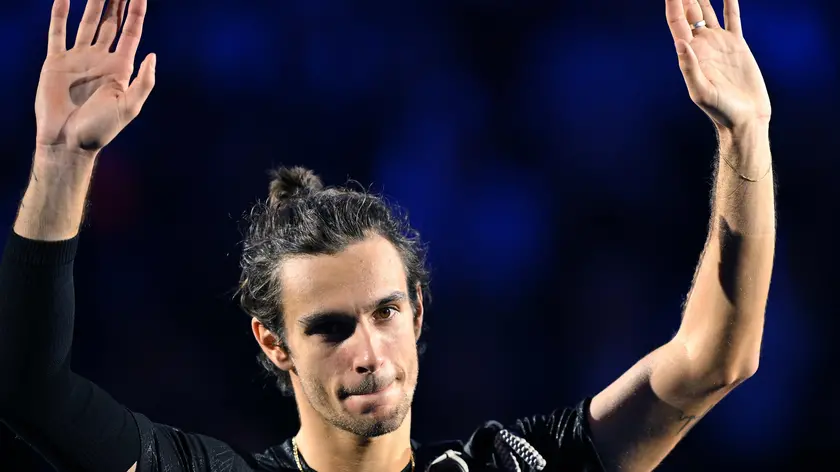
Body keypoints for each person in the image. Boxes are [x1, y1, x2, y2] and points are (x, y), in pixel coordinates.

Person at [0, 0, 775, 470]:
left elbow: (715, 360)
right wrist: (61, 161)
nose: (369, 352)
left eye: (385, 312)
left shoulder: (511, 467)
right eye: (330, 328)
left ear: (418, 311)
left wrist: (746, 136)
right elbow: (28, 389)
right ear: (274, 343)